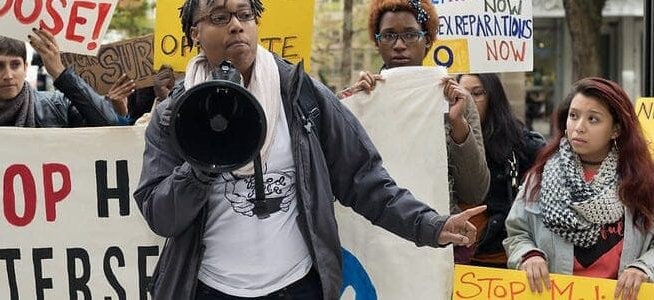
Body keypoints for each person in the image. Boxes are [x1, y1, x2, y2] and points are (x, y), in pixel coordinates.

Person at [133, 0, 486, 299]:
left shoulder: (301, 95)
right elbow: (161, 215)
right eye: (220, 18)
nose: (237, 27)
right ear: (195, 32)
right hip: (209, 288)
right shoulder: (171, 116)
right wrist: (201, 161)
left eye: (245, 14)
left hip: (298, 286)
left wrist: (429, 225)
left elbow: (363, 179)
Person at [503, 78, 654, 299]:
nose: (579, 127)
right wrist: (529, 255)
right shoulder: (541, 176)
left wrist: (643, 268)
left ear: (616, 130)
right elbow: (517, 232)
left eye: (593, 119)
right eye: (573, 116)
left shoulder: (640, 181)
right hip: (555, 294)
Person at [341, 0, 489, 213]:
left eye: (410, 35)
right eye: (389, 35)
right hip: (378, 234)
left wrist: (458, 124)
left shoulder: (456, 100)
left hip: (439, 232)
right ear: (377, 43)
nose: (399, 45)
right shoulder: (362, 97)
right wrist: (353, 104)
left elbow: (475, 192)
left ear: (427, 40)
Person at [453, 73, 545, 267]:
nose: (468, 101)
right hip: (457, 256)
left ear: (493, 98)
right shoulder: (444, 137)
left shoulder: (522, 145)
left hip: (501, 260)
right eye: (461, 94)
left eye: (477, 94)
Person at [0, 31, 118, 127]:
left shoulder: (57, 106)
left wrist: (60, 72)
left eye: (15, 65)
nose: (8, 75)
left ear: (25, 68)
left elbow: (109, 123)